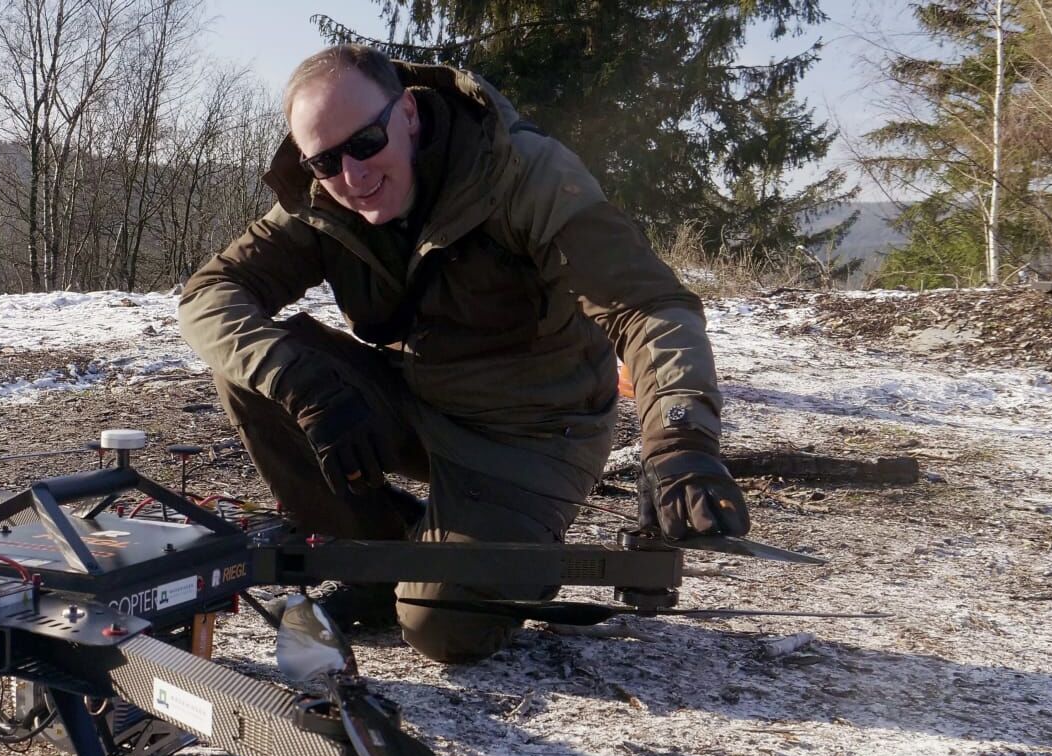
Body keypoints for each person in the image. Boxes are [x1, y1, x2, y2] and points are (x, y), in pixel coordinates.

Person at [179, 45, 750, 663]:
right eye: (325, 161)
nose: (354, 176)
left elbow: (649, 308)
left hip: (533, 436)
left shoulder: (522, 173)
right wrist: (300, 382)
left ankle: (499, 559)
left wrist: (681, 440)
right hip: (423, 399)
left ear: (409, 115)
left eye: (367, 143)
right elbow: (208, 296)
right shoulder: (324, 194)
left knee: (442, 627)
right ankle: (376, 559)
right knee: (253, 369)